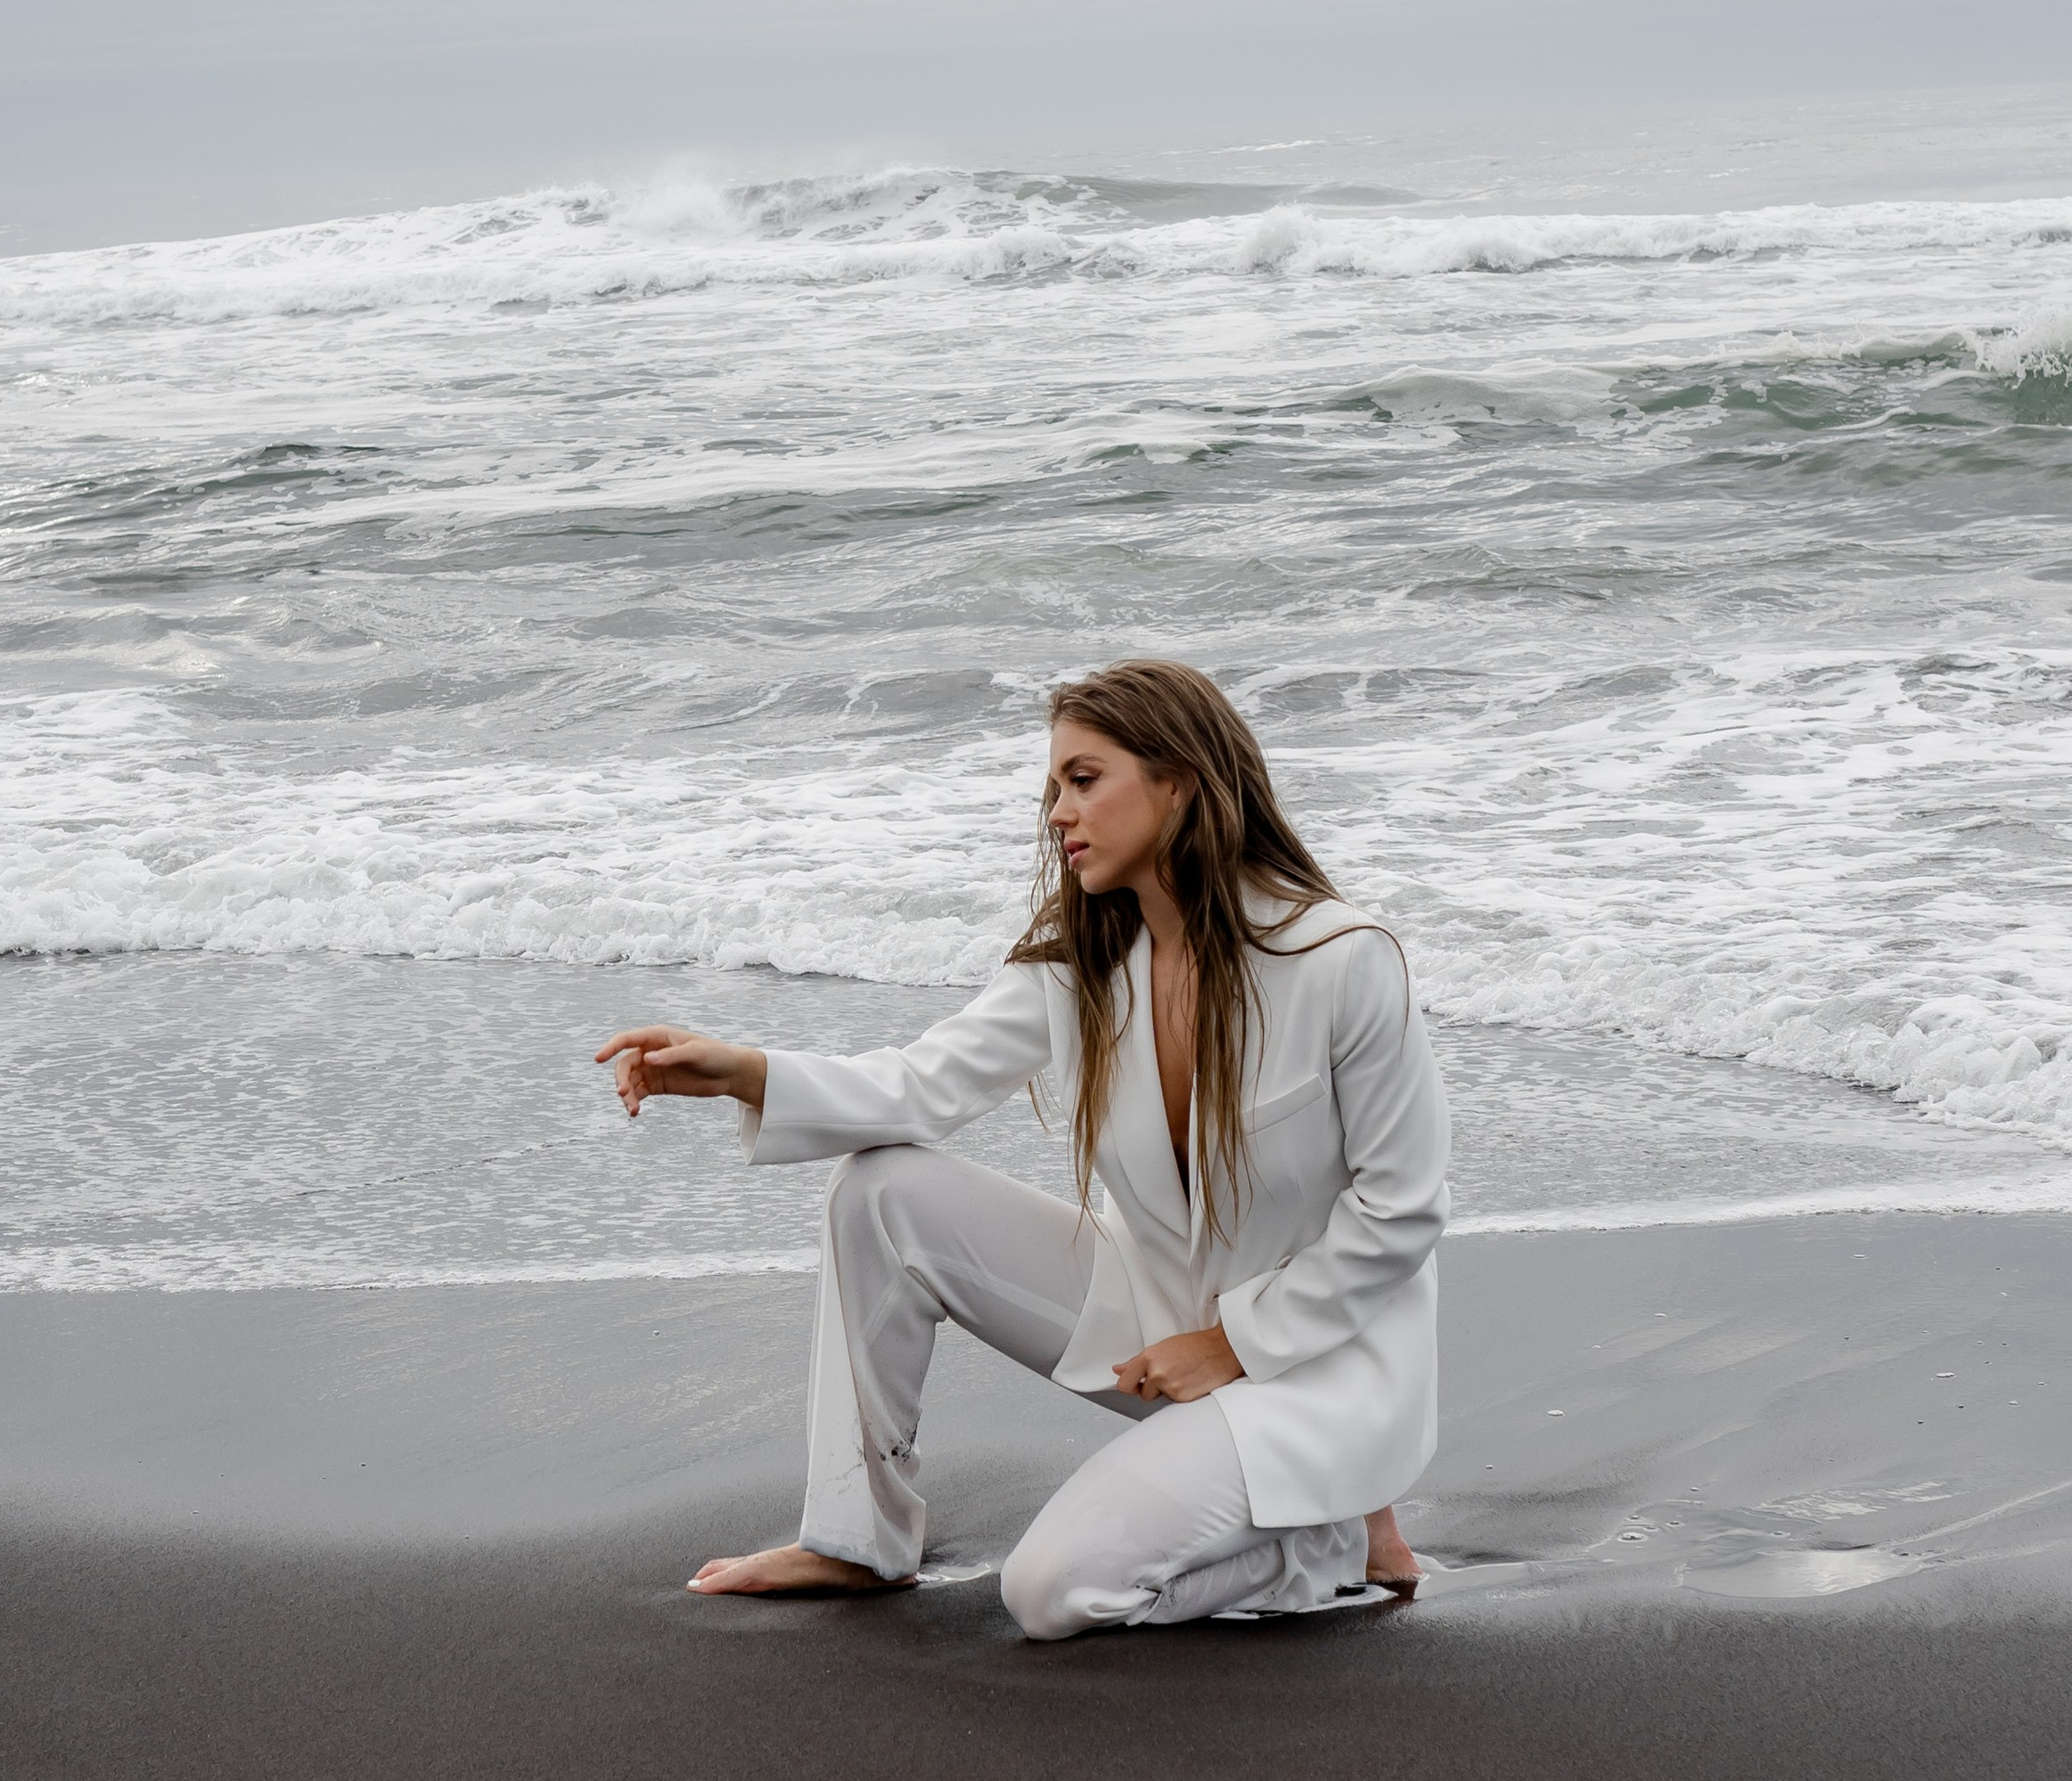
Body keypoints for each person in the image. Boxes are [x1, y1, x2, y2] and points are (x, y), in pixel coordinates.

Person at [596, 659, 1452, 1640]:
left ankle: (1329, 1542)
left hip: (1317, 1373)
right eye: (1053, 788)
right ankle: (858, 1539)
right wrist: (747, 1072)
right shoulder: (1083, 964)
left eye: (1083, 780)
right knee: (881, 1190)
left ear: (1179, 782)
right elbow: (921, 1085)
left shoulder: (1342, 959)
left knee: (1052, 1594)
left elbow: (1402, 1211)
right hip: (1159, 1326)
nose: (1057, 814)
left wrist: (1228, 1347)